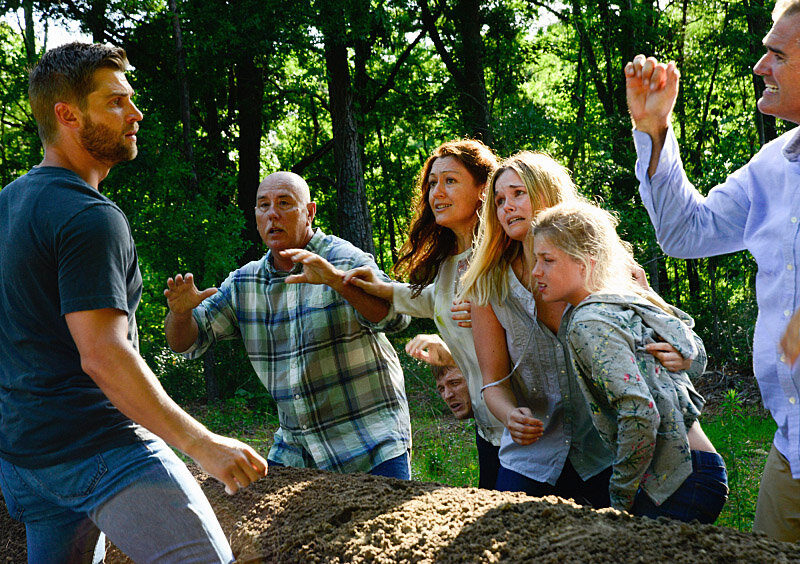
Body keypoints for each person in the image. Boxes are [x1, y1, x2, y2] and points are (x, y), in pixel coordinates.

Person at [0, 42, 268, 564]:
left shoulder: (7, 206)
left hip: (25, 462)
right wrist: (203, 444)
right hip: (103, 449)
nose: (136, 113)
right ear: (67, 114)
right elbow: (103, 355)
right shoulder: (89, 217)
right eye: (116, 102)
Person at [625, 0, 800, 539]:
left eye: (777, 54)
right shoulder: (774, 166)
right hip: (792, 447)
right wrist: (655, 130)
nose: (759, 68)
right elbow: (686, 233)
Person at [164, 171, 413, 479]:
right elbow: (188, 342)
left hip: (370, 442)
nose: (273, 214)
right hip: (298, 450)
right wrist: (179, 314)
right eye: (263, 205)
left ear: (309, 213)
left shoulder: (344, 258)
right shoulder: (245, 282)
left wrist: (338, 282)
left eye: (284, 203)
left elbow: (395, 317)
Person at [530, 201, 728, 523]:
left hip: (675, 480)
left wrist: (619, 499)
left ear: (585, 264)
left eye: (547, 260)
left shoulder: (590, 320)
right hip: (702, 469)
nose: (536, 271)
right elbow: (695, 355)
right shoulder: (619, 300)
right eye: (536, 260)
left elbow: (639, 412)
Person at [343, 139, 506, 489]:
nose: (437, 192)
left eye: (450, 181)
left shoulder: (503, 252)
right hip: (488, 429)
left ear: (482, 189)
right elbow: (433, 299)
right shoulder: (450, 264)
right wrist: (381, 288)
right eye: (432, 183)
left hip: (527, 426)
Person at [461, 152, 615, 507]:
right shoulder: (487, 284)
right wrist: (509, 415)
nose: (507, 207)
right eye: (499, 201)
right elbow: (493, 382)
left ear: (547, 195)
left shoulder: (595, 267)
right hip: (532, 456)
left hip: (603, 448)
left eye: (518, 194)